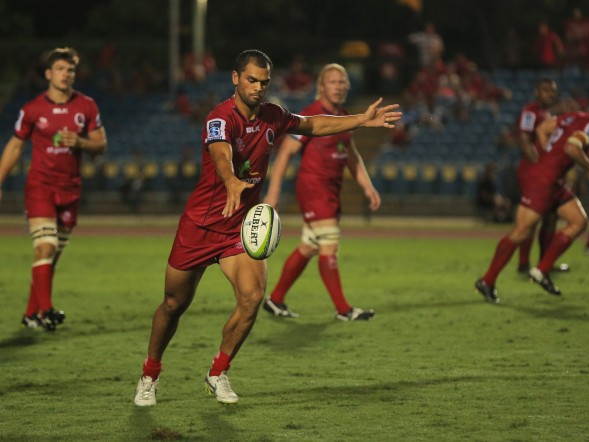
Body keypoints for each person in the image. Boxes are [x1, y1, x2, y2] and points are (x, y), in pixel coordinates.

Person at [133, 49, 401, 407]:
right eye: (251, 80)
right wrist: (229, 179)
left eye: (264, 82)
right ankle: (149, 374)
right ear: (235, 78)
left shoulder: (273, 116)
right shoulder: (220, 118)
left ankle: (218, 372)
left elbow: (313, 124)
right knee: (172, 305)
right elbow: (220, 152)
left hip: (239, 229)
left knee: (252, 298)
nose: (258, 87)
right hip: (200, 225)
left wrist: (358, 121)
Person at [261, 63, 381, 321]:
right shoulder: (311, 115)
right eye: (333, 82)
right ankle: (343, 310)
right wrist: (273, 192)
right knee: (329, 243)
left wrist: (367, 186)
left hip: (331, 191)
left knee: (310, 245)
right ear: (321, 87)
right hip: (313, 188)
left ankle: (276, 299)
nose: (339, 86)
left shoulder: (345, 116)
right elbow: (284, 154)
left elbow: (351, 156)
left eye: (342, 82)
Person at [0, 47, 107, 331]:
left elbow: (101, 145)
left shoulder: (86, 106)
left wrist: (81, 143)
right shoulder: (32, 109)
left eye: (70, 70)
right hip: (40, 188)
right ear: (48, 74)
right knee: (45, 246)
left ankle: (30, 313)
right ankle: (46, 311)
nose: (65, 74)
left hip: (70, 190)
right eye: (60, 69)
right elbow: (14, 145)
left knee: (51, 255)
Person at [475, 103, 589, 303]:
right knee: (522, 232)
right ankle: (487, 280)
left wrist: (547, 158)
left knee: (579, 221)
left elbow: (543, 129)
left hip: (553, 181)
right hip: (543, 182)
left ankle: (541, 271)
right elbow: (571, 147)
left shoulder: (575, 116)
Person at [514, 78, 569, 274]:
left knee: (550, 217)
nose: (550, 94)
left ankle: (544, 263)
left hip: (545, 173)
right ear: (537, 92)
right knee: (533, 218)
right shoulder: (531, 111)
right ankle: (523, 263)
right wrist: (538, 166)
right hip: (533, 172)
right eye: (546, 90)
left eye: (553, 91)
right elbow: (524, 138)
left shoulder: (547, 114)